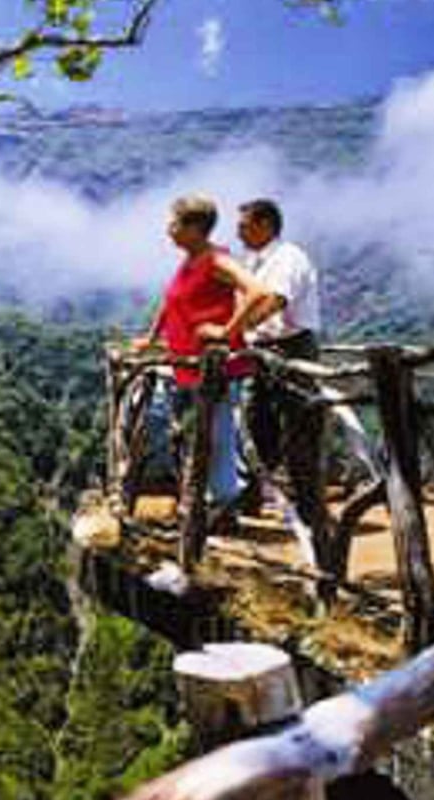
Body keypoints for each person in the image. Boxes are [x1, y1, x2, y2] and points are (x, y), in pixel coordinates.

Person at [137, 194, 275, 529]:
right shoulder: (189, 261)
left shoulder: (215, 260)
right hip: (185, 364)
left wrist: (227, 333)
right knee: (169, 423)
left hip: (214, 368)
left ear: (195, 227)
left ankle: (224, 506)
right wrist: (152, 338)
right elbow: (171, 301)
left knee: (218, 436)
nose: (168, 230)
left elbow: (259, 292)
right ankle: (206, 496)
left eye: (174, 223)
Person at [237, 198, 327, 556]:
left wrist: (233, 330)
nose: (239, 231)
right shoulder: (255, 261)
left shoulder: (288, 258)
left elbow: (275, 301)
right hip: (263, 350)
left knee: (300, 429)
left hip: (292, 349)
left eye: (244, 225)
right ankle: (250, 500)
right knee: (256, 423)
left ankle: (310, 513)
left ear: (265, 226)